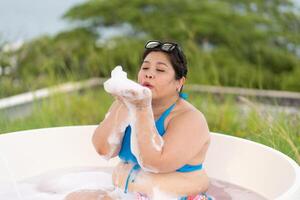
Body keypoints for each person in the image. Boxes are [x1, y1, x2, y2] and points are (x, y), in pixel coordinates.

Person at [65, 40, 211, 200]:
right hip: (123, 194)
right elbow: (104, 149)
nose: (149, 74)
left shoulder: (190, 118)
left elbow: (155, 162)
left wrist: (142, 108)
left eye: (160, 70)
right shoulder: (130, 103)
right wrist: (123, 103)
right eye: (145, 67)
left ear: (179, 82)